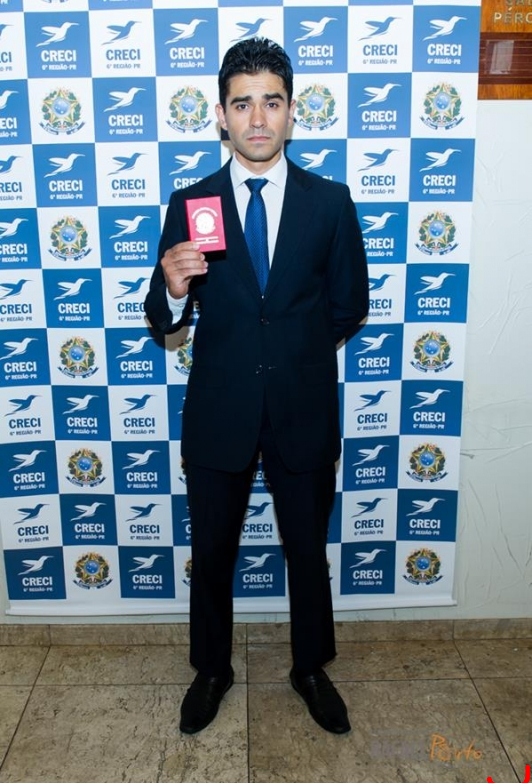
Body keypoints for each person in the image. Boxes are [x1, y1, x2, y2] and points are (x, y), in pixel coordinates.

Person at [145, 37, 369, 736]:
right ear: (221, 115)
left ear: (292, 112)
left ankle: (310, 667)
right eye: (242, 104)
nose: (258, 117)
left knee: (307, 550)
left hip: (302, 406)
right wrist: (171, 286)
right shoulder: (192, 202)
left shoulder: (330, 202)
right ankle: (212, 668)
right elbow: (162, 314)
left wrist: (291, 351)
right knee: (213, 551)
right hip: (221, 409)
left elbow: (350, 304)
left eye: (272, 101)